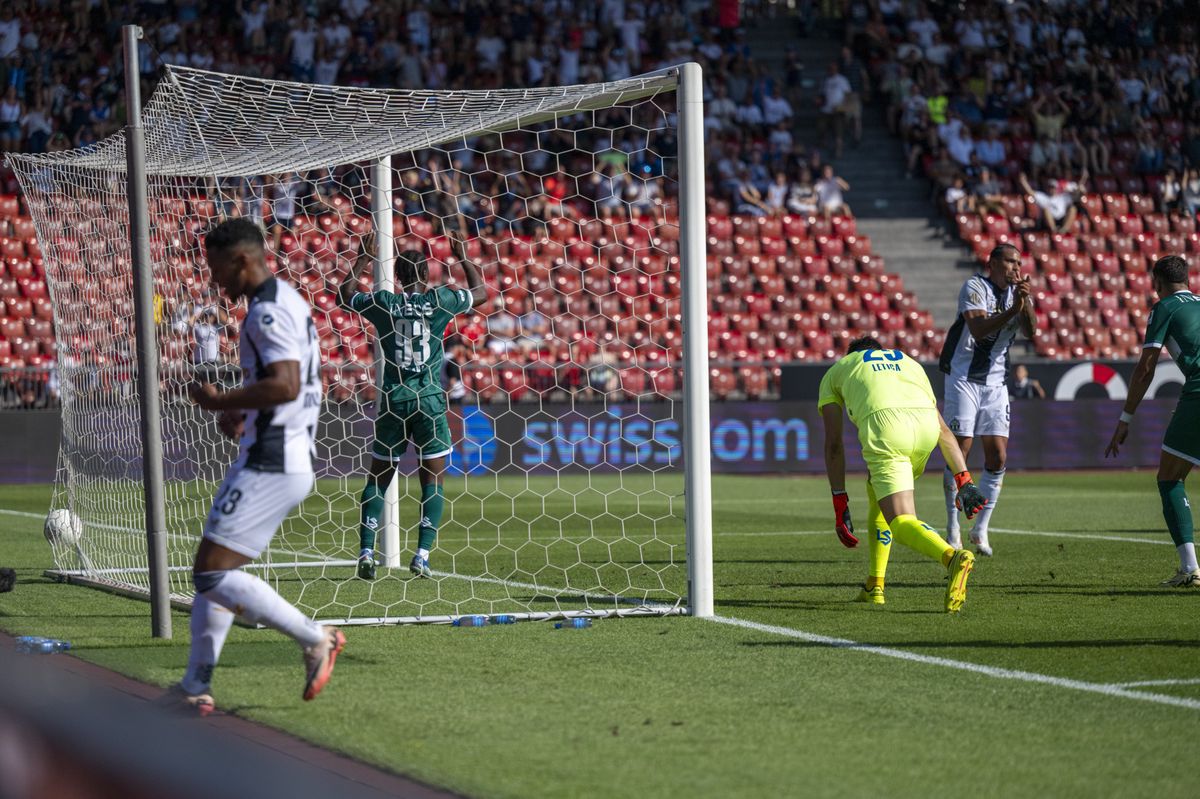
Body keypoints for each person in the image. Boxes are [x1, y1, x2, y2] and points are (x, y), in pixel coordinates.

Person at [159, 218, 344, 716]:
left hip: (273, 459)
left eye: (217, 266)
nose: (214, 278)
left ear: (241, 259)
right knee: (218, 573)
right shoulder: (289, 300)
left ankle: (314, 637)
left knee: (209, 574)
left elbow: (286, 384)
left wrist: (220, 401)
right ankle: (194, 686)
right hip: (278, 450)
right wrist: (244, 413)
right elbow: (290, 385)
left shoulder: (266, 312)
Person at [339, 217, 487, 580]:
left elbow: (344, 295)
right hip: (430, 400)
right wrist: (462, 256)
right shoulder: (441, 300)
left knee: (378, 479)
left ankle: (366, 552)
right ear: (426, 274)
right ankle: (421, 555)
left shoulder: (384, 303)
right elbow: (481, 294)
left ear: (397, 276)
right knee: (432, 481)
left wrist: (363, 258)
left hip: (394, 399)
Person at [819, 335, 986, 611]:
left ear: (851, 354)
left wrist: (839, 500)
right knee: (877, 492)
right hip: (926, 430)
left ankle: (951, 557)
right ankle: (875, 585)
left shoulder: (840, 368)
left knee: (901, 520)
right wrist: (964, 479)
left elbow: (834, 445)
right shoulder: (909, 363)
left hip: (887, 431)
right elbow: (944, 430)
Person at [1106, 255, 1200, 586]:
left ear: (1157, 282)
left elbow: (1146, 368)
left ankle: (1190, 568)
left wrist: (1125, 418)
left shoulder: (1164, 308)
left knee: (1170, 478)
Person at [939, 244, 1037, 556]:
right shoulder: (975, 287)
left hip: (996, 382)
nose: (1015, 267)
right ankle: (953, 528)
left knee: (998, 457)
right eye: (1010, 261)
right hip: (964, 378)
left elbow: (1031, 332)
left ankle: (980, 529)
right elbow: (979, 329)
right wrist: (1012, 309)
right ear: (992, 263)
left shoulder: (1018, 295)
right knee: (960, 450)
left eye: (1019, 262)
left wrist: (1025, 303)